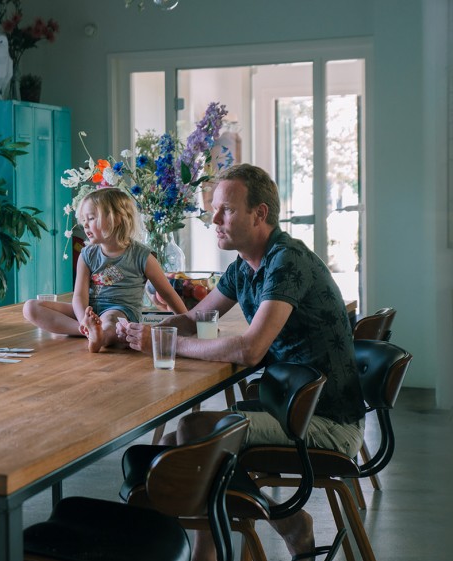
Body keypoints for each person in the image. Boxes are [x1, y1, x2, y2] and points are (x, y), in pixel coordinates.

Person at [118, 163, 365, 561]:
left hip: (328, 419)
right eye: (214, 208)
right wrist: (140, 330)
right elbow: (197, 319)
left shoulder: (286, 261)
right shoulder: (243, 266)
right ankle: (252, 533)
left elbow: (250, 350)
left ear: (259, 214)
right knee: (167, 446)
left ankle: (248, 536)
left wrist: (166, 343)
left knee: (197, 430)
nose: (213, 219)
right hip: (289, 404)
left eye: (226, 210)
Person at [23, 188, 187, 353]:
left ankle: (102, 335)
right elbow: (79, 296)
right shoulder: (87, 254)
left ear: (116, 219)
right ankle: (91, 332)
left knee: (109, 320)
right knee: (30, 307)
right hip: (91, 310)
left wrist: (189, 322)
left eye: (91, 218)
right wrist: (83, 320)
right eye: (84, 220)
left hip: (121, 311)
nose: (85, 224)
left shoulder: (142, 256)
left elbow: (168, 294)